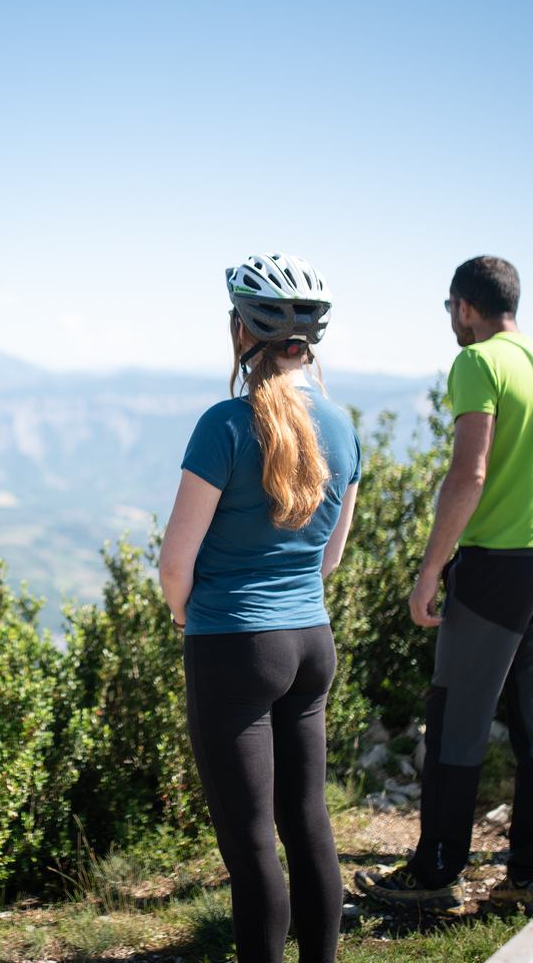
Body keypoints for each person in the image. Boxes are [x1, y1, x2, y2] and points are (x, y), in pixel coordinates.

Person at [356, 255, 533, 915]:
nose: (451, 322)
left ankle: (437, 873)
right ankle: (529, 877)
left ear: (465, 307)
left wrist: (429, 571)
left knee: (457, 720)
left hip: (497, 564)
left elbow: (469, 476)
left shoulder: (478, 363)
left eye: (449, 309)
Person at [161, 253, 361, 963]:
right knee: (308, 823)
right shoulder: (343, 429)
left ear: (241, 332)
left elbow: (175, 563)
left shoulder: (223, 425)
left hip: (234, 646)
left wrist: (189, 616)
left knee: (250, 844)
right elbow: (330, 557)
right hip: (311, 642)